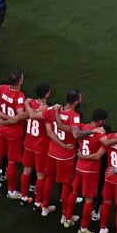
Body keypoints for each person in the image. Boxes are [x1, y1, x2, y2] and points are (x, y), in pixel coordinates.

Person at [40, 90, 84, 219]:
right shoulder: (74, 116)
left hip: (52, 152)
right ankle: (65, 215)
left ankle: (45, 207)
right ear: (76, 102)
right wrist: (64, 146)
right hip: (66, 156)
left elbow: (38, 117)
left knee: (49, 179)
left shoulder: (53, 109)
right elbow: (76, 134)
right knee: (66, 184)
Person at [64, 109, 109, 232]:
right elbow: (100, 153)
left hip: (79, 167)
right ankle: (83, 229)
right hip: (91, 171)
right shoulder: (100, 134)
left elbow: (74, 132)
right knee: (89, 199)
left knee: (74, 192)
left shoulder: (82, 127)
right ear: (101, 121)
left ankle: (67, 219)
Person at [0, 70, 26, 196]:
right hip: (14, 133)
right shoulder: (20, 96)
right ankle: (11, 190)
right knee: (12, 161)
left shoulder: (1, 88)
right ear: (19, 81)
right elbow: (18, 116)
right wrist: (29, 112)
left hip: (1, 131)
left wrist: (0, 116)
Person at [20, 83, 53, 208]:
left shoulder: (30, 103)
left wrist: (27, 104)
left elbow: (28, 114)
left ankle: (23, 197)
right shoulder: (47, 110)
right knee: (40, 174)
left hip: (28, 143)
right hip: (41, 146)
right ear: (47, 94)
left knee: (26, 170)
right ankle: (37, 202)